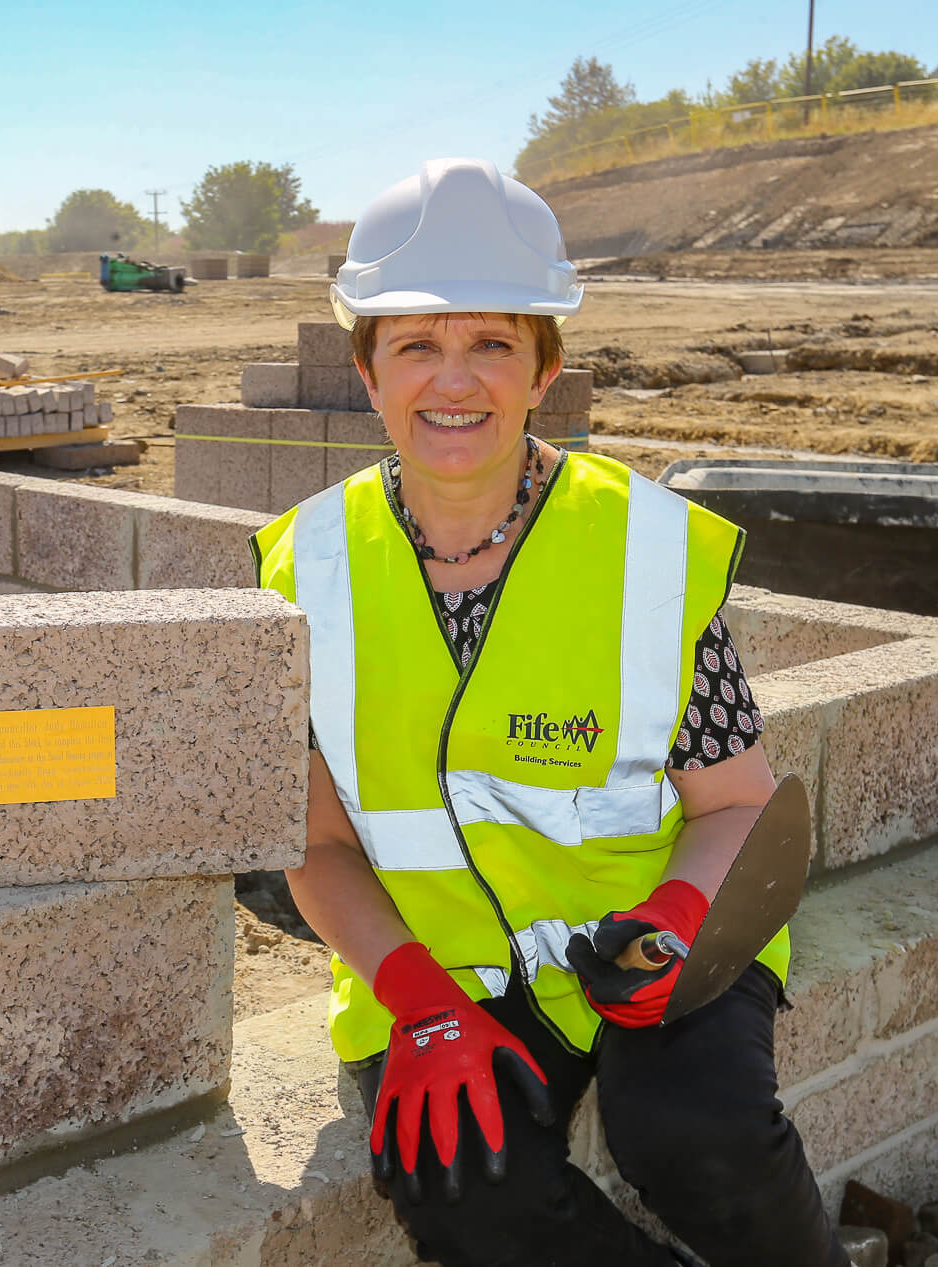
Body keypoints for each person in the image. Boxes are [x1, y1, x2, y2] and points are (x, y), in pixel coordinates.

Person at [250, 158, 848, 1267]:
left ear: (545, 370)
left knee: (694, 1133)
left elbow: (736, 805)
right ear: (367, 372)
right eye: (416, 344)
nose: (453, 379)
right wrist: (419, 1003)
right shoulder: (302, 575)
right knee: (459, 1181)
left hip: (651, 936)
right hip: (433, 964)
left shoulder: (639, 550)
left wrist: (671, 914)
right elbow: (317, 844)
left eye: (491, 344)